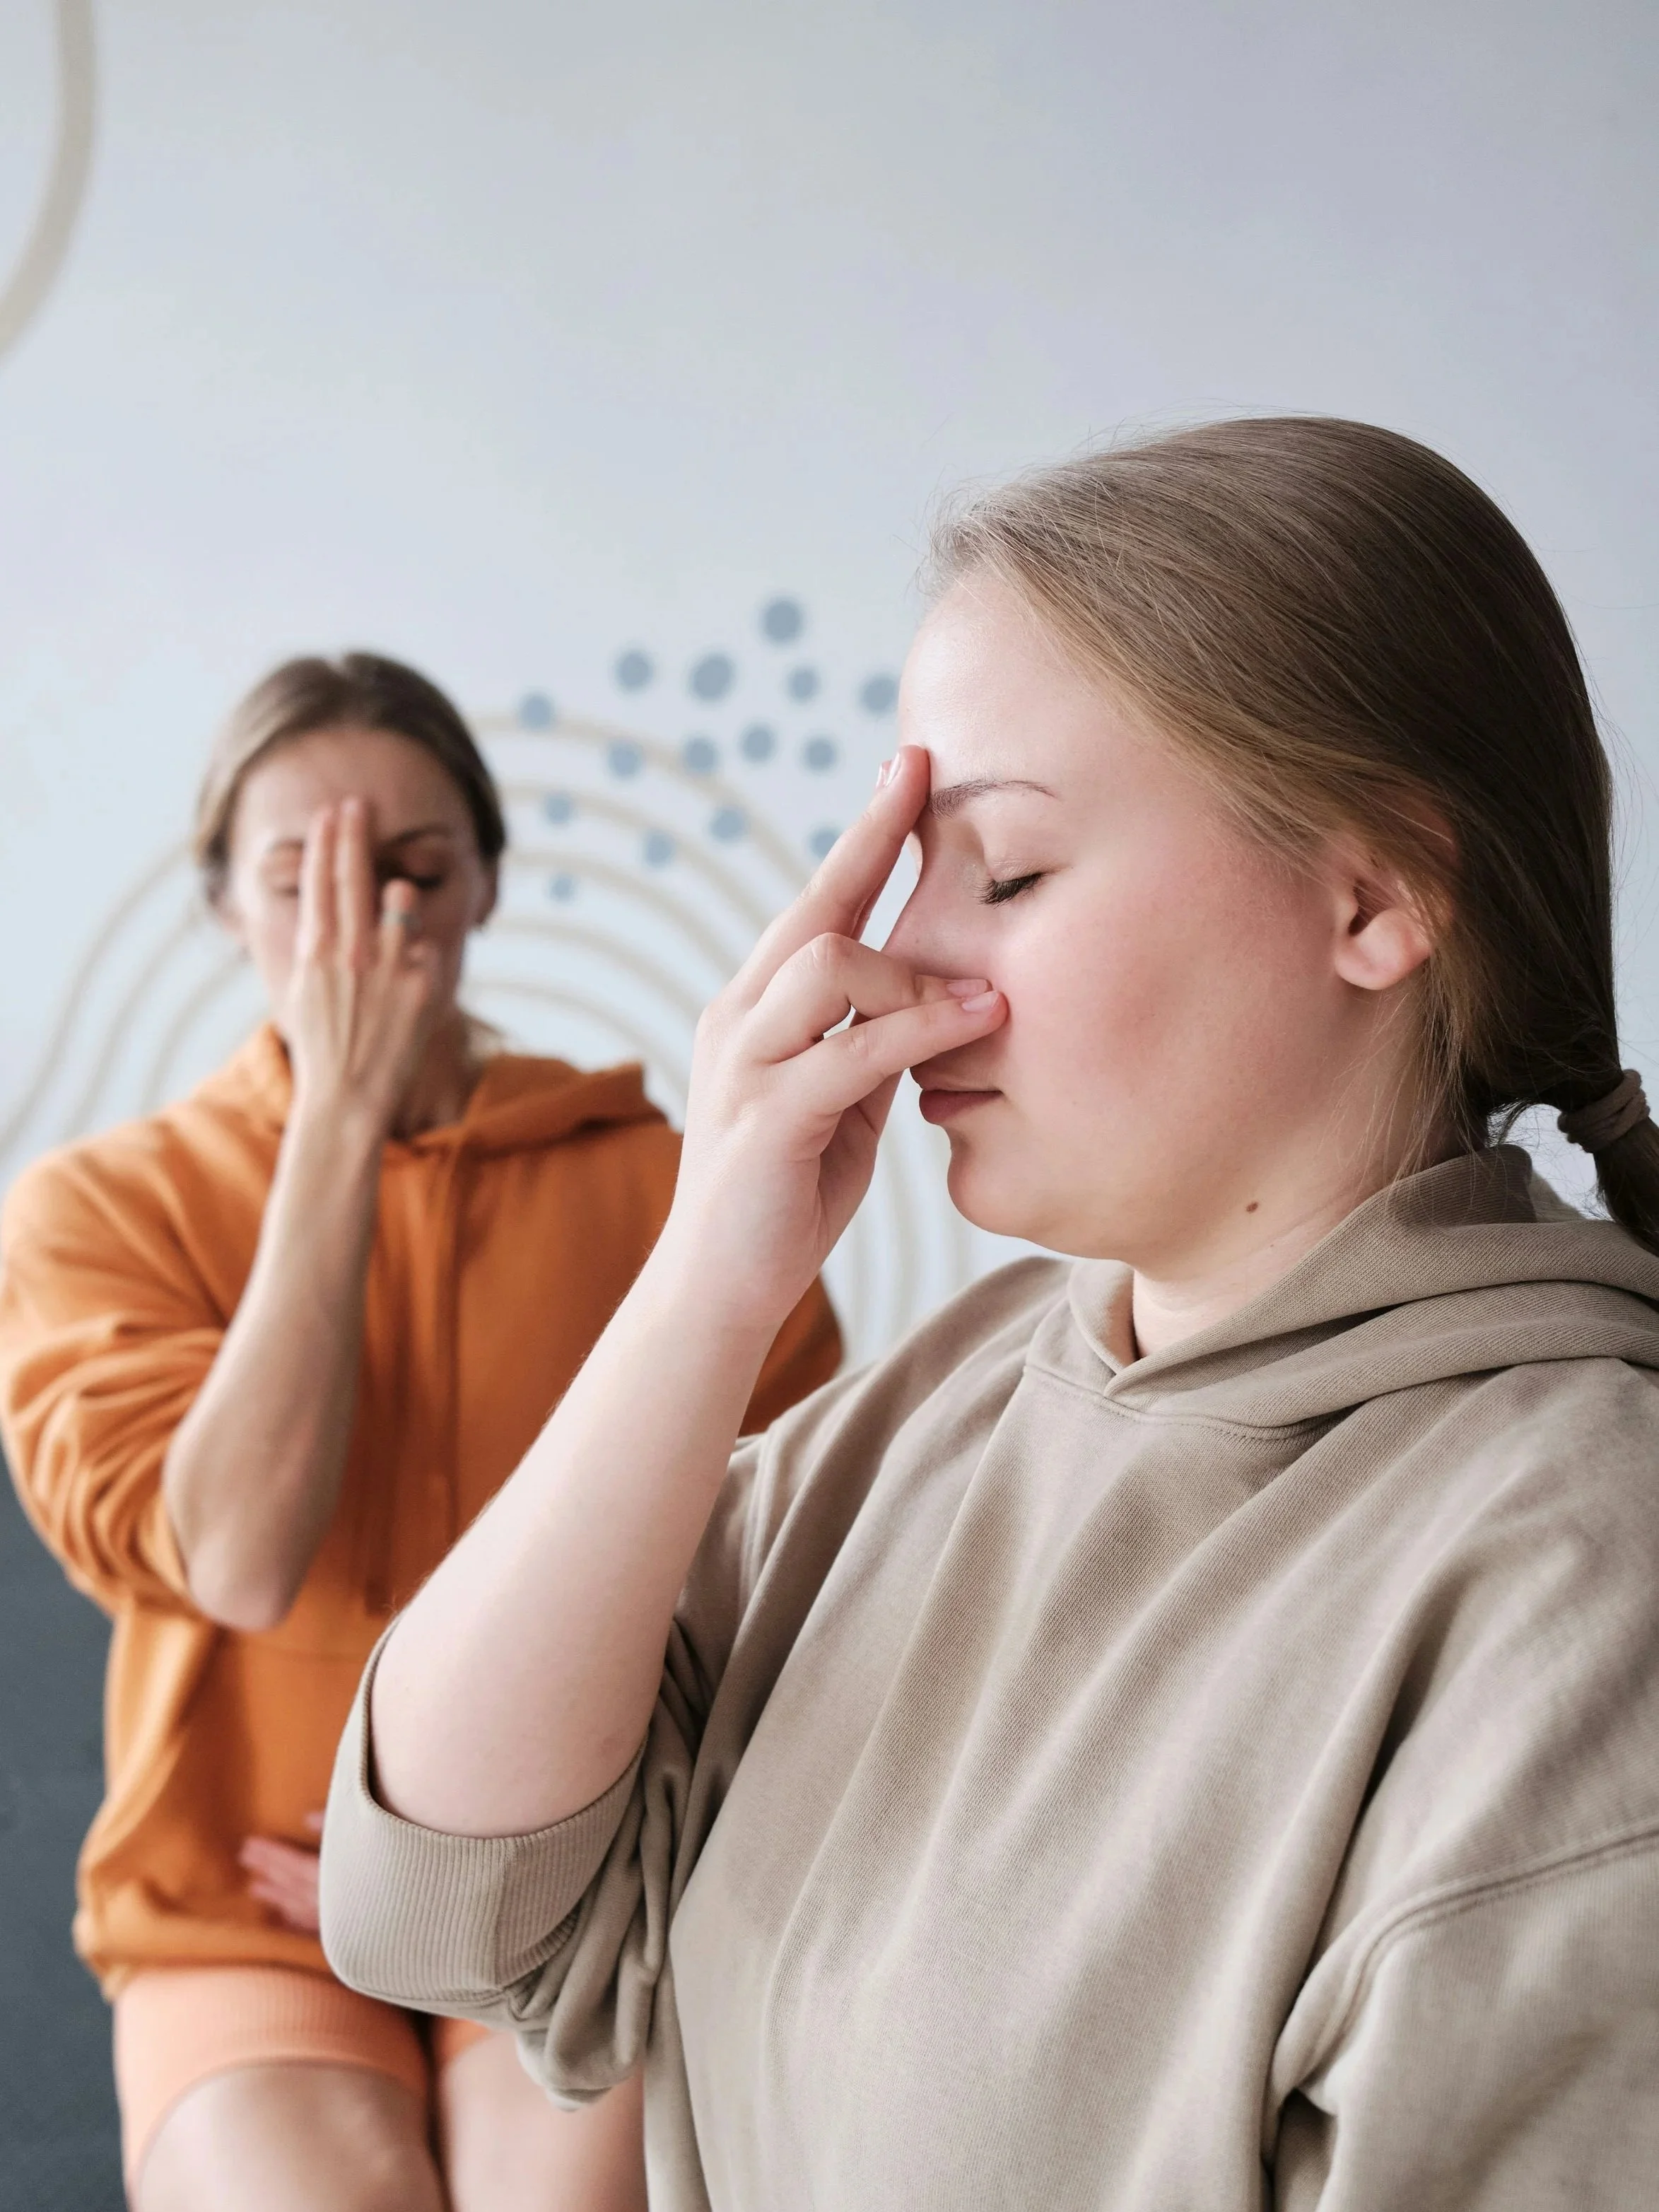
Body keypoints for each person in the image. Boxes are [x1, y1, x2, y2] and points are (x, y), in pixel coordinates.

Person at [321, 419, 1659, 2211]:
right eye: (903, 866)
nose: (895, 968)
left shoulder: (1581, 1571)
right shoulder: (930, 1416)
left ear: (1372, 894)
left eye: (1006, 871)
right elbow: (434, 1905)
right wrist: (705, 1281)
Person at [0, 651, 841, 2212]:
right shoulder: (93, 1209)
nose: (365, 920)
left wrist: (457, 1856)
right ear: (221, 906)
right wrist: (336, 1119)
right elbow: (240, 1560)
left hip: (574, 1882)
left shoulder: (674, 1187)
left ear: (488, 888)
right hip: (234, 1907)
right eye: (299, 877)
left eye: (414, 866)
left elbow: (785, 1588)